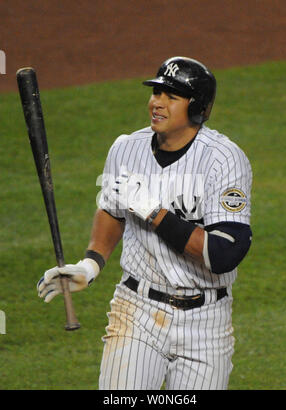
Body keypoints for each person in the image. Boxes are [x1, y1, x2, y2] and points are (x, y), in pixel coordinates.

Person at [37, 56, 252, 390]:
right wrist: (91, 264)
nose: (157, 103)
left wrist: (155, 213)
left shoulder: (223, 160)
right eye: (156, 93)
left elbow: (224, 253)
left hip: (207, 322)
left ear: (198, 109)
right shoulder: (126, 149)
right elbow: (111, 209)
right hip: (137, 311)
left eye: (171, 96)